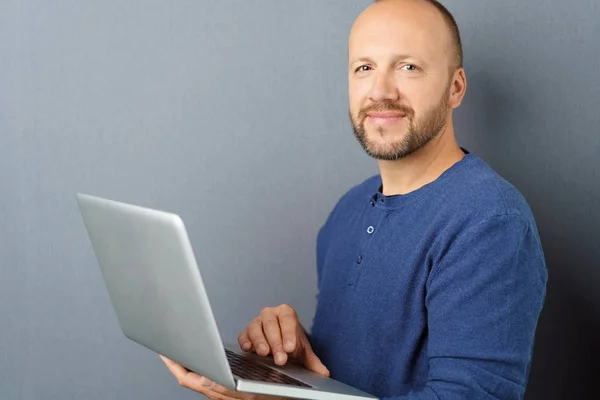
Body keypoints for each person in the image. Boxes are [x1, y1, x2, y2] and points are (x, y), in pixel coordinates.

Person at [160, 0, 548, 398]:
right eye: (364, 68)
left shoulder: (489, 222)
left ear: (456, 87)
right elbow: (351, 378)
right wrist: (289, 365)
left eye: (408, 66)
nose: (380, 91)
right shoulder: (347, 211)